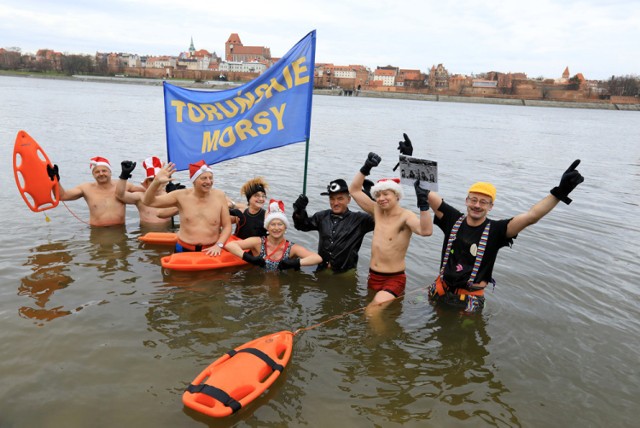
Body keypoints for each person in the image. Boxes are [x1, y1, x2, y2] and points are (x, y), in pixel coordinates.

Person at [425, 160, 585, 313]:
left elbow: (532, 216)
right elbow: (425, 191)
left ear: (491, 206)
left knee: (465, 337)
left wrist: (559, 192)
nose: (477, 205)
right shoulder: (452, 219)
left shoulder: (497, 230)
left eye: (483, 202)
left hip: (469, 300)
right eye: (473, 200)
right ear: (466, 201)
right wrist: (410, 159)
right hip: (440, 290)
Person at [349, 152, 433, 309]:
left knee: (372, 311)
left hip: (394, 278)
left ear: (397, 196)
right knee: (386, 312)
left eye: (386, 194)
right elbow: (354, 190)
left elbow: (426, 231)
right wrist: (366, 167)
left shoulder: (405, 216)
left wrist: (423, 204)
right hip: (373, 276)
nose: (381, 198)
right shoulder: (376, 211)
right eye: (378, 195)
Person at [142, 159, 232, 256]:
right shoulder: (180, 196)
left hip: (211, 249)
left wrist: (219, 245)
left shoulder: (219, 196)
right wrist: (156, 182)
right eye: (204, 178)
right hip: (184, 248)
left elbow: (227, 226)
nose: (208, 182)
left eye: (211, 178)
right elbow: (148, 202)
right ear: (194, 181)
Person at [292, 178, 374, 273]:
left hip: (345, 273)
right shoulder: (321, 217)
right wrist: (299, 210)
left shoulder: (360, 220)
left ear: (348, 199)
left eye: (340, 199)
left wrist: (372, 202)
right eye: (332, 198)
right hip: (322, 270)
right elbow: (301, 226)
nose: (335, 203)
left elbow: (383, 220)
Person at [225, 200, 322, 272]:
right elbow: (230, 245)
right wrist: (250, 258)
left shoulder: (292, 248)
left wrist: (296, 263)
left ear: (285, 228)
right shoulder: (258, 242)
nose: (276, 228)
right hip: (260, 284)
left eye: (280, 224)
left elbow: (317, 258)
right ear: (267, 227)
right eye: (272, 224)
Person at [49, 156, 140, 227]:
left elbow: (148, 192)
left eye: (104, 171)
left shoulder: (123, 185)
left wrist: (153, 179)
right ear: (93, 174)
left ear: (110, 172)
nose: (101, 174)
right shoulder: (86, 188)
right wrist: (55, 180)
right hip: (97, 231)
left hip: (119, 229)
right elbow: (62, 196)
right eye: (97, 172)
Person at [115, 156, 179, 226]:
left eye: (157, 179)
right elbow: (120, 195)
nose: (156, 182)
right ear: (146, 183)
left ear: (164, 181)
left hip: (167, 232)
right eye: (151, 180)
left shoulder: (170, 195)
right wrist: (124, 176)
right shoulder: (140, 196)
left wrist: (177, 198)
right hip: (146, 233)